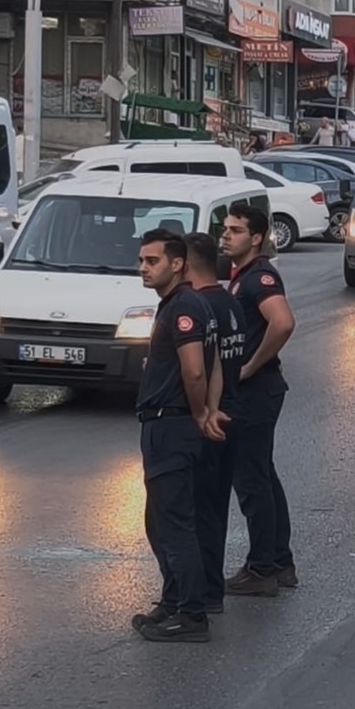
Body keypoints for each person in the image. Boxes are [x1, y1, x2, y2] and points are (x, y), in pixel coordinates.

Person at [133, 229, 221, 642]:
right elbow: (214, 362)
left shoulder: (184, 306)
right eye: (142, 261)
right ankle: (173, 600)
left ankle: (192, 615)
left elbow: (197, 369)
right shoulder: (178, 305)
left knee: (175, 525)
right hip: (163, 424)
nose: (144, 269)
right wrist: (206, 409)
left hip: (171, 426)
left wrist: (201, 411)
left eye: (152, 261)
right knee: (158, 521)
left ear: (177, 263)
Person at [220, 203, 298, 596]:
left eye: (235, 230)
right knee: (263, 476)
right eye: (225, 228)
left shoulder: (259, 277)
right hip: (260, 392)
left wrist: (250, 367)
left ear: (256, 238)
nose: (225, 235)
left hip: (256, 392)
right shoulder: (243, 277)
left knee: (251, 481)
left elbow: (282, 322)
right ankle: (279, 561)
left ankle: (262, 568)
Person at [182, 232, 247, 613]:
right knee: (215, 508)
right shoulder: (230, 302)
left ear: (186, 264)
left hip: (210, 416)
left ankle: (202, 591)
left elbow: (201, 368)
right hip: (233, 409)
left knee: (197, 509)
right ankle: (212, 586)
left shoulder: (200, 307)